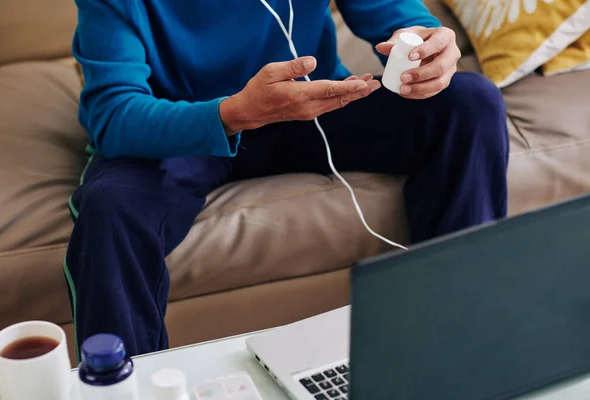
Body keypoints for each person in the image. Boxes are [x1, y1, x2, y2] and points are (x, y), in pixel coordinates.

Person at [65, 0, 509, 358]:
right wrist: (236, 112)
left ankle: (458, 341)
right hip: (183, 126)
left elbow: (396, 13)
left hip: (309, 110)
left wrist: (427, 42)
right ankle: (120, 389)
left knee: (471, 102)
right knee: (110, 209)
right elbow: (114, 113)